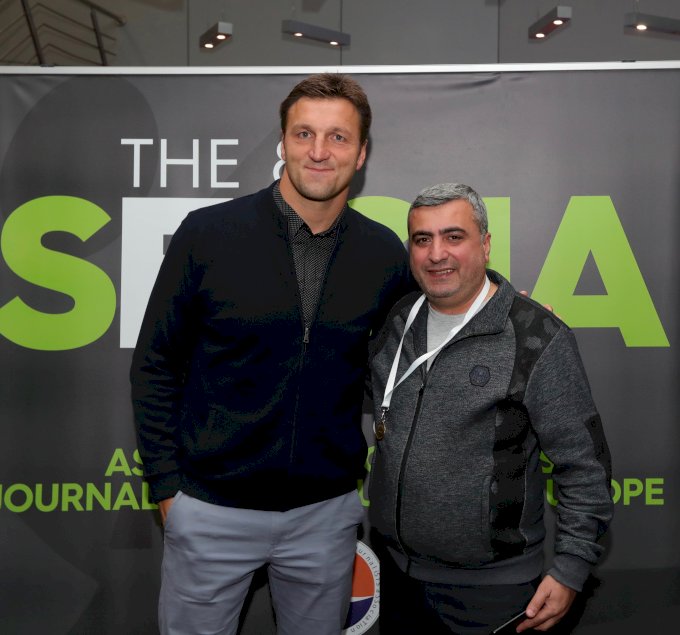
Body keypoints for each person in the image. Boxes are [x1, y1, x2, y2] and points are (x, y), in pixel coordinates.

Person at [130, 73, 411, 635]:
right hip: (210, 511)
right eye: (304, 133)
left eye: (337, 137)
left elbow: (423, 338)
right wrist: (168, 491)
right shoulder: (209, 233)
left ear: (361, 154)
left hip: (324, 517)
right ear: (283, 143)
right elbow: (155, 365)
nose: (319, 151)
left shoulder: (383, 253)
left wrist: (504, 306)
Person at [368, 183, 613, 634]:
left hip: (493, 592)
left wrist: (571, 568)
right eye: (422, 239)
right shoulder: (397, 321)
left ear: (485, 244)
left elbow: (583, 466)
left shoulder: (535, 335)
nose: (436, 253)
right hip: (397, 579)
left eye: (454, 236)